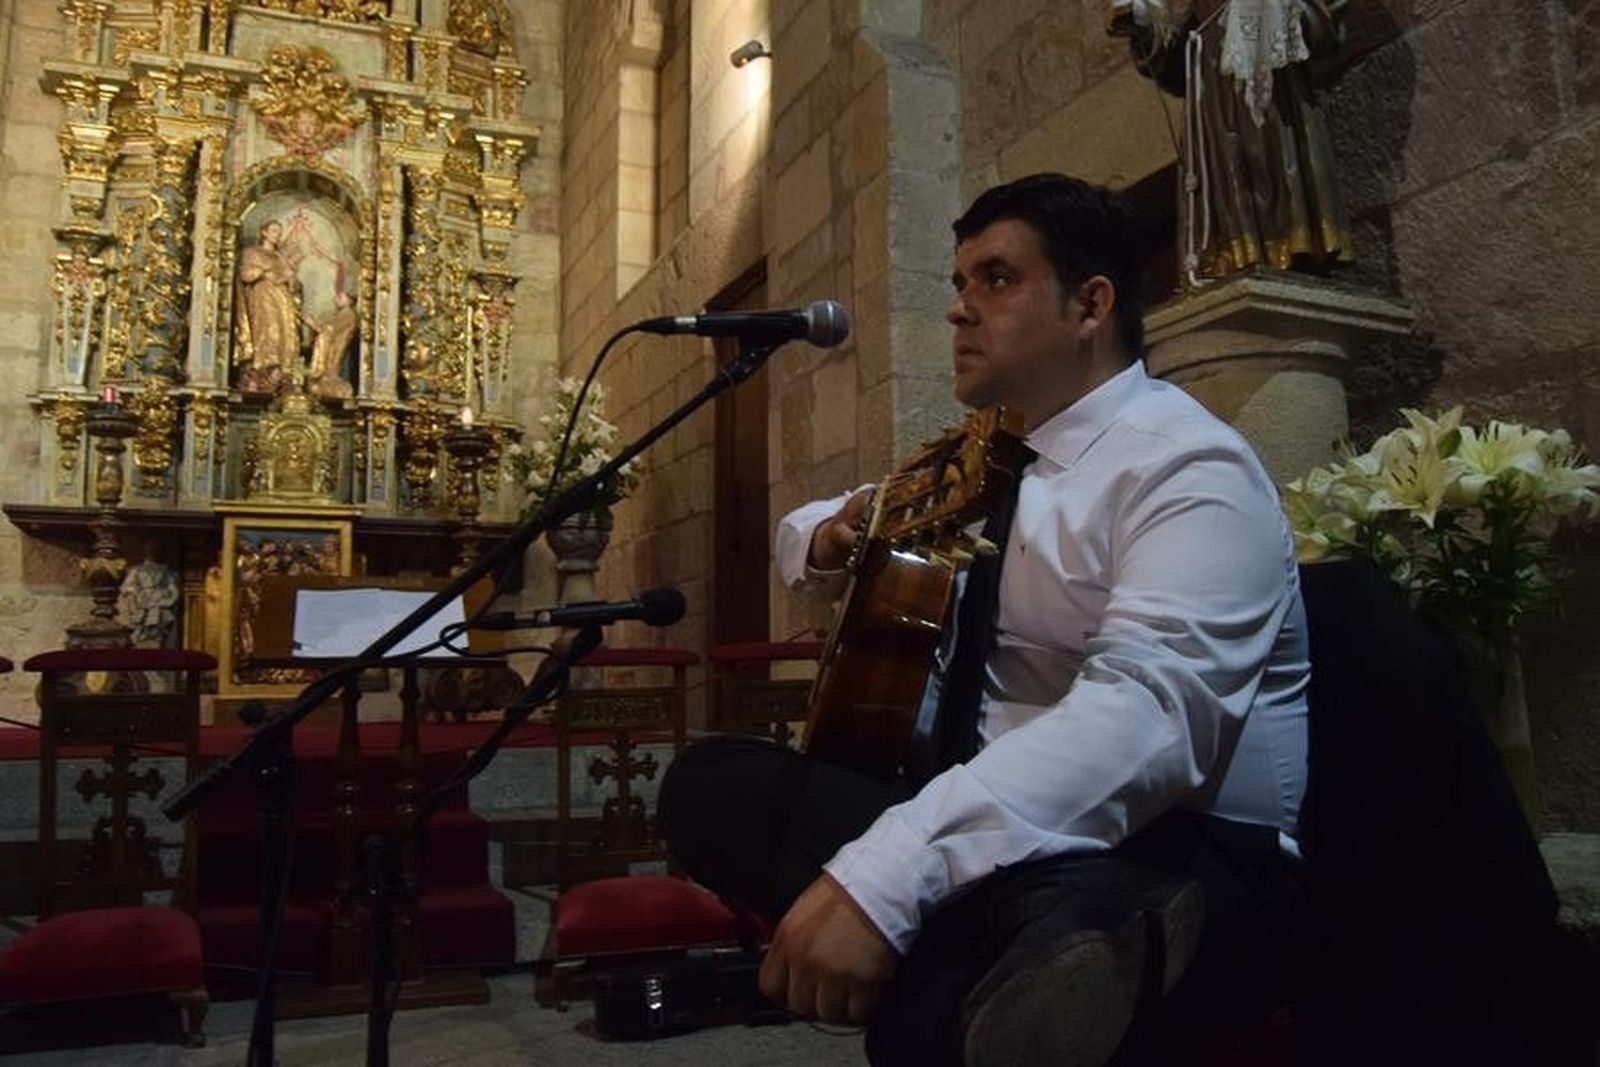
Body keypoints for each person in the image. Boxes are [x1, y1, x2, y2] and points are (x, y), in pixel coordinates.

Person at [659, 173, 1311, 1066]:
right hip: (987, 808)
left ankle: (1009, 958)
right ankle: (1014, 957)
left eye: (996, 280)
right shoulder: (986, 461)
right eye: (958, 285)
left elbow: (1148, 721)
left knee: (976, 956)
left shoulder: (1188, 468)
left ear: (1091, 305)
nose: (961, 310)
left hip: (1175, 844)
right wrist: (833, 540)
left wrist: (887, 874)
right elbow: (803, 528)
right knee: (709, 781)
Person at [236, 219, 304, 395]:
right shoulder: (252, 252)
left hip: (283, 298)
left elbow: (294, 285)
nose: (277, 235)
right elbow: (245, 275)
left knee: (286, 332)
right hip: (263, 296)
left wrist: (290, 277)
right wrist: (265, 272)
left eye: (279, 232)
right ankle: (262, 370)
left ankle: (282, 371)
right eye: (274, 230)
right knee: (267, 331)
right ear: (264, 232)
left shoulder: (280, 256)